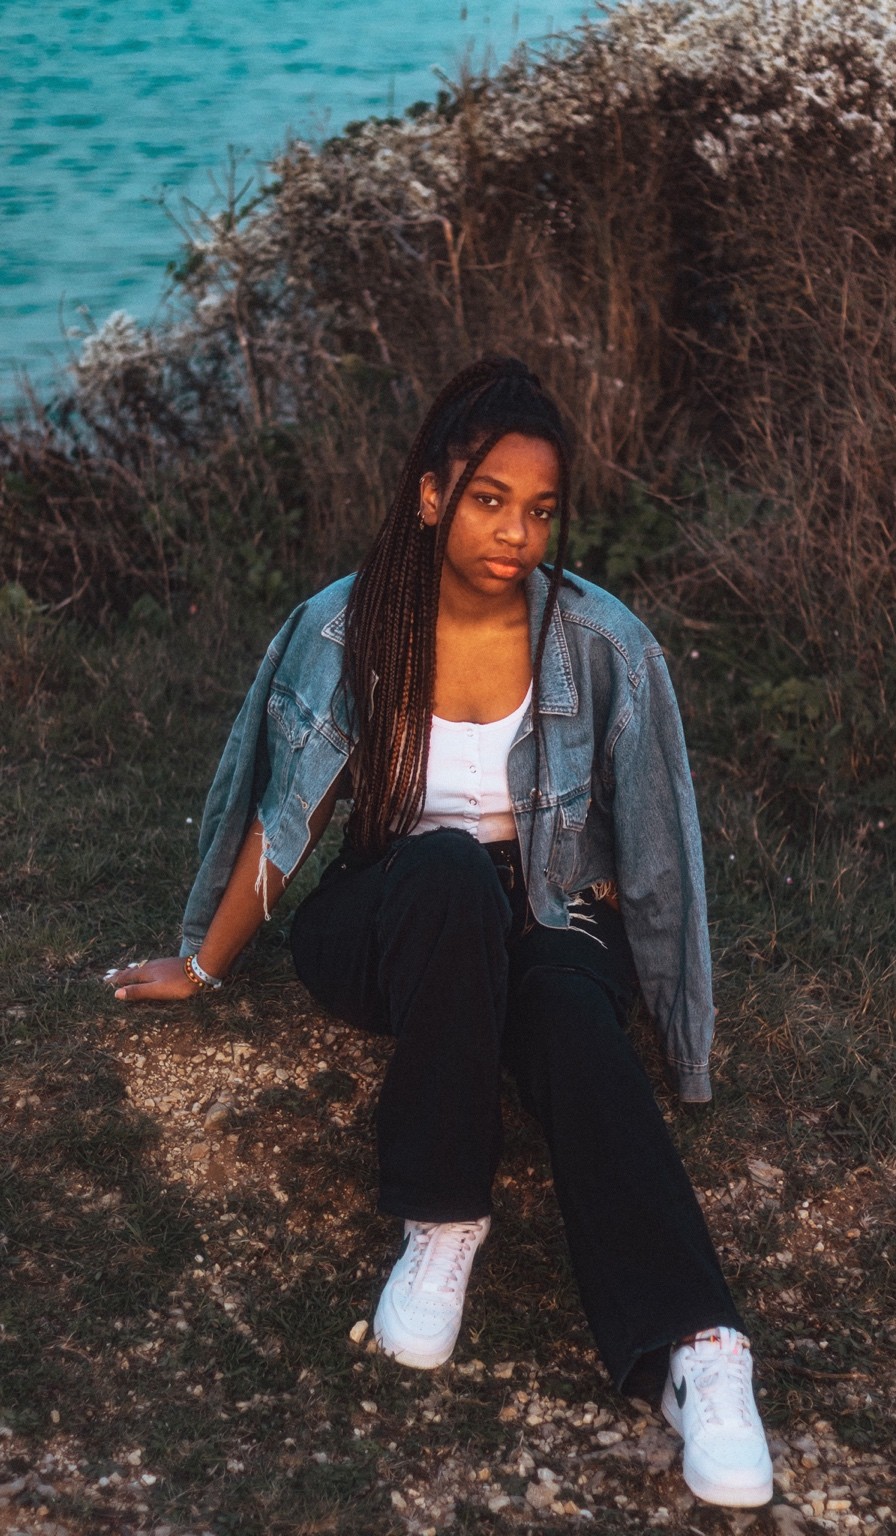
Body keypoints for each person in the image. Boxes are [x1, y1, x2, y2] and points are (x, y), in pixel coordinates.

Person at [105, 355, 773, 1509]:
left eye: (541, 509)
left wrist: (679, 1037)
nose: (517, 531)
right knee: (453, 872)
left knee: (564, 1008)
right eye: (489, 499)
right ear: (430, 494)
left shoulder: (602, 641)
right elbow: (287, 814)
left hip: (548, 901)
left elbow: (659, 852)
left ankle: (699, 1351)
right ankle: (443, 1217)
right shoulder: (345, 624)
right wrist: (205, 965)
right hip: (392, 907)